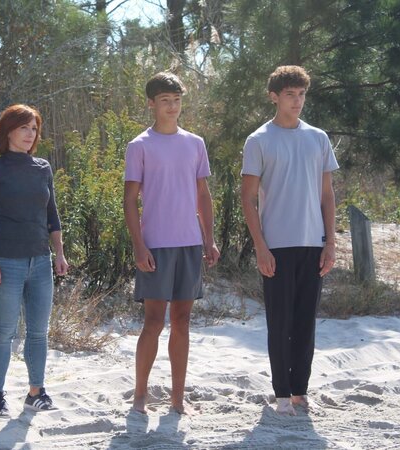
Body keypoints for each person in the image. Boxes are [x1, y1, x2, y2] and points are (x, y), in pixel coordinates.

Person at [239, 65, 339, 416]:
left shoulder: (318, 138)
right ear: (274, 97)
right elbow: (248, 198)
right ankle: (282, 394)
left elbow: (327, 195)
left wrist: (330, 243)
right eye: (290, 95)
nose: (297, 101)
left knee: (305, 323)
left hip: (313, 243)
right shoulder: (259, 140)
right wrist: (260, 247)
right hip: (276, 246)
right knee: (280, 323)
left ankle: (300, 392)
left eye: (302, 94)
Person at [124, 72, 220, 415]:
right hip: (156, 246)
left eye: (177, 100)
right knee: (153, 322)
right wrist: (139, 246)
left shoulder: (195, 143)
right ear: (151, 103)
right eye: (165, 100)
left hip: (189, 244)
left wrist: (209, 239)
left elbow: (203, 195)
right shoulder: (140, 145)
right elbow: (129, 201)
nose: (172, 107)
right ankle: (139, 396)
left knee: (182, 321)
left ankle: (178, 400)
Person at [0, 104, 69, 417]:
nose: (30, 134)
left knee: (39, 332)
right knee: (5, 330)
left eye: (34, 129)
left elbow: (52, 214)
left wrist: (59, 252)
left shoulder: (43, 168)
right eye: (23, 128)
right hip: (7, 263)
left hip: (41, 261)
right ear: (8, 131)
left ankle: (36, 392)